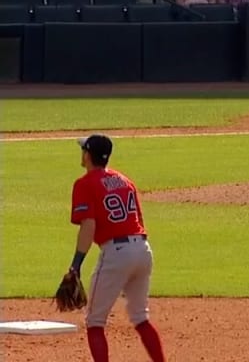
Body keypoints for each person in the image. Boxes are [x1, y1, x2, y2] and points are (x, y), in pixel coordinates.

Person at [68, 134, 166, 362]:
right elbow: (138, 219)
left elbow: (88, 226)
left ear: (88, 155)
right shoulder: (125, 180)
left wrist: (75, 265)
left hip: (116, 253)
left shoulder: (84, 183)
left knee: (94, 323)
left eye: (83, 150)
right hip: (143, 249)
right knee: (141, 318)